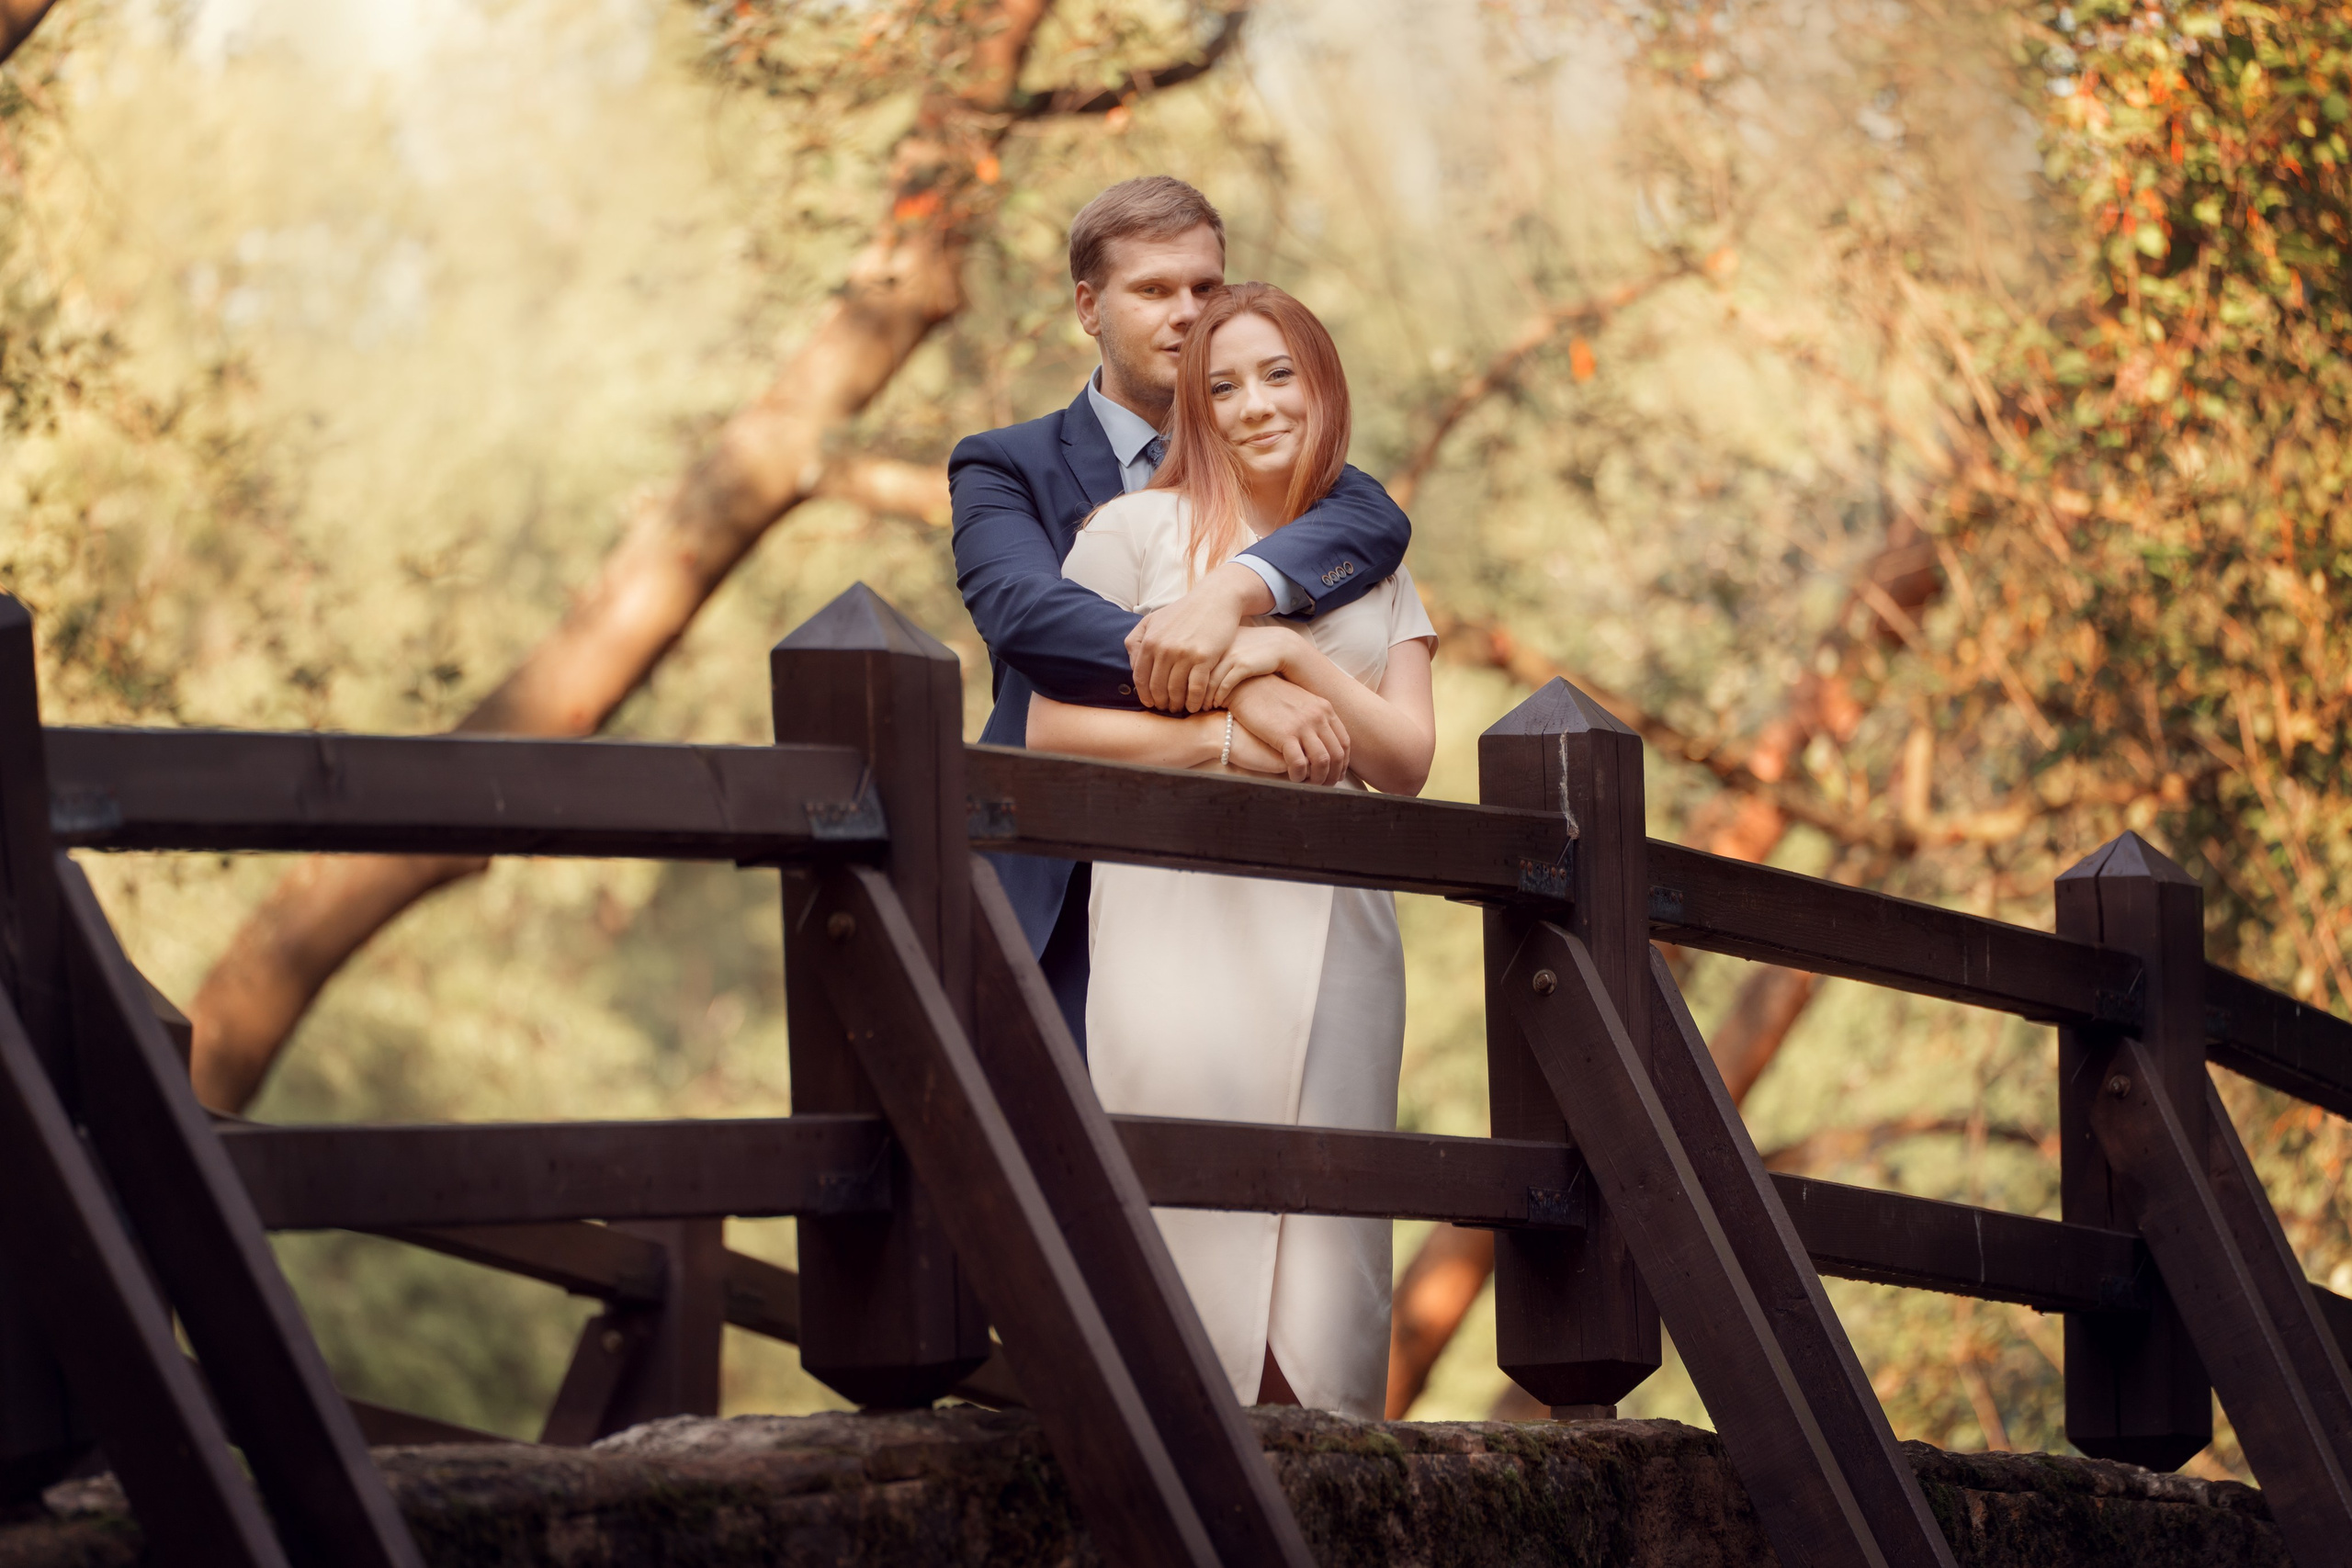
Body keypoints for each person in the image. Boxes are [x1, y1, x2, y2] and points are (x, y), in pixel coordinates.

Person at [1028, 283, 1437, 1419]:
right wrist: (1222, 740)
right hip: (1173, 918)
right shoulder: (1131, 534)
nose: (1254, 405)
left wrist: (1284, 660)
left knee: (1327, 1235)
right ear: (1194, 412)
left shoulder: (1377, 566)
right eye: (1221, 386)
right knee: (1181, 1210)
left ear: (1322, 388)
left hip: (1341, 929)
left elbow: (1404, 760)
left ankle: (1321, 1493)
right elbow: (1052, 730)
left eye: (1278, 376)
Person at [949, 177, 1411, 1053]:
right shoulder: (1007, 465)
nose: (1188, 314)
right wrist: (1235, 687)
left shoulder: (1292, 471)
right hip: (1053, 879)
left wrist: (1229, 597)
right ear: (1089, 306)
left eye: (1205, 287)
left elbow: (1379, 522)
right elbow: (1027, 614)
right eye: (1154, 290)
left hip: (1242, 889)